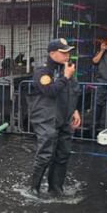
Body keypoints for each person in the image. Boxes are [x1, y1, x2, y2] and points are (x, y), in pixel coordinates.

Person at [29, 38, 81, 196]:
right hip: (46, 118)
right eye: (63, 52)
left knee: (63, 154)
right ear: (52, 53)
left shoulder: (68, 69)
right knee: (45, 154)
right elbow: (50, 91)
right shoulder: (43, 72)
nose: (67, 55)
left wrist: (75, 110)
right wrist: (65, 77)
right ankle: (34, 189)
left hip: (64, 117)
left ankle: (56, 188)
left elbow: (72, 92)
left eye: (68, 52)